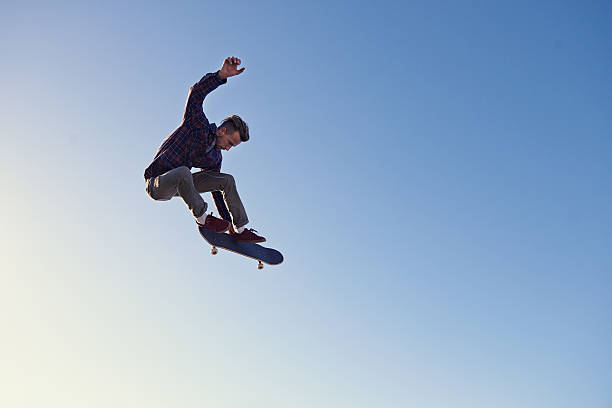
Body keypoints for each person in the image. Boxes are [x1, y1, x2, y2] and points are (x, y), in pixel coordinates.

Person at [144, 56, 265, 243]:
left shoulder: (215, 158)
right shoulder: (197, 124)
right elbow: (196, 94)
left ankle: (239, 229)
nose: (228, 148)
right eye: (230, 143)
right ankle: (202, 218)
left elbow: (216, 190)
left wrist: (226, 224)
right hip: (157, 183)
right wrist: (221, 75)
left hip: (183, 186)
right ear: (222, 131)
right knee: (184, 171)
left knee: (226, 180)